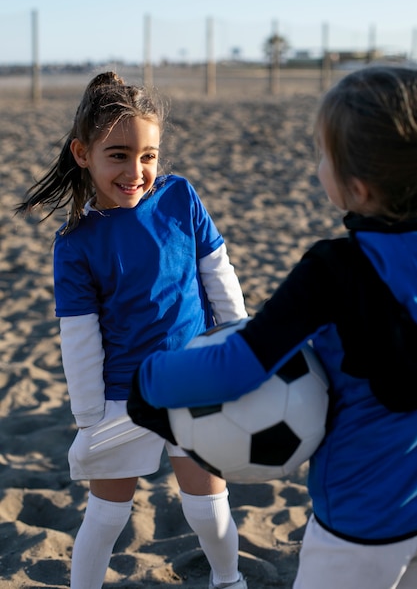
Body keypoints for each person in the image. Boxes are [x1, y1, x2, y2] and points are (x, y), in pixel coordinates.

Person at [128, 65, 417, 589]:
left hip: (360, 522)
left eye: (322, 154)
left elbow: (238, 366)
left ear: (354, 184)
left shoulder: (335, 270)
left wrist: (148, 382)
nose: (317, 165)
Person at [16, 71, 248, 589]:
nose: (136, 171)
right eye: (118, 155)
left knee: (209, 508)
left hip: (195, 380)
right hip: (124, 395)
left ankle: (230, 581)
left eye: (148, 156)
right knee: (106, 516)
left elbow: (217, 272)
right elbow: (79, 338)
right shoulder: (75, 243)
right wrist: (89, 416)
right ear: (83, 153)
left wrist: (240, 345)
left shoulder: (179, 198)